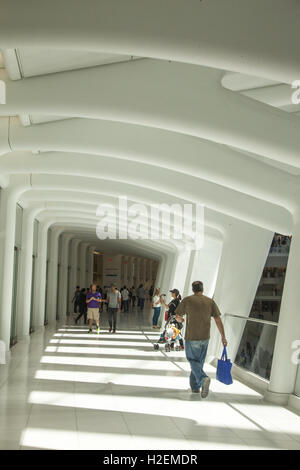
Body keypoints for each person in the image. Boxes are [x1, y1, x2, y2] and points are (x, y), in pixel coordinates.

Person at [175, 281, 227, 398]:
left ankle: (204, 378)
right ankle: (195, 388)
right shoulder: (210, 301)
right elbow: (218, 319)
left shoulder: (187, 300)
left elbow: (178, 317)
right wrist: (223, 336)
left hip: (192, 336)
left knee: (192, 360)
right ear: (202, 289)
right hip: (205, 337)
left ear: (193, 289)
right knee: (199, 363)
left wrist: (181, 320)